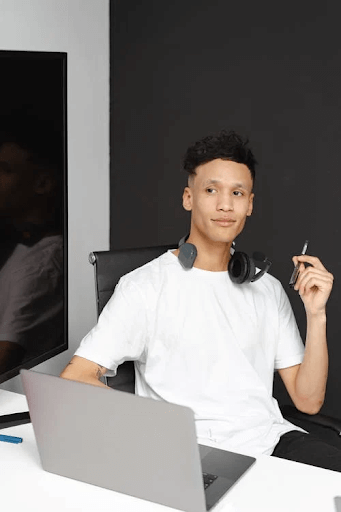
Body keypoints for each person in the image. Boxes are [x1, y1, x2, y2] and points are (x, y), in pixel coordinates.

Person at [60, 130, 339, 470]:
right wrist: (151, 434)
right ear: (188, 198)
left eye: (237, 193)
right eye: (211, 190)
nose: (225, 205)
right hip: (191, 455)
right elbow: (76, 377)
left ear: (249, 204)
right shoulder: (144, 287)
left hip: (270, 442)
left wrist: (317, 314)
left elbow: (308, 402)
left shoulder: (268, 289)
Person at [0, 120, 64, 373]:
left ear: (43, 184)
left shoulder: (44, 263)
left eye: (4, 170)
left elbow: (5, 358)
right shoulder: (26, 248)